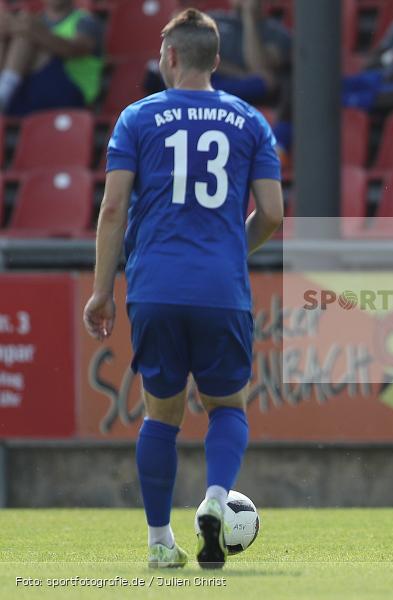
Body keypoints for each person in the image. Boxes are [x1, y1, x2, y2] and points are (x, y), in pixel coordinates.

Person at [83, 9, 283, 569]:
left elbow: (113, 208)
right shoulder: (249, 120)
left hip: (155, 285)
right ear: (216, 59)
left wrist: (102, 290)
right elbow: (271, 212)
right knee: (227, 405)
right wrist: (229, 254)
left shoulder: (136, 118)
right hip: (221, 287)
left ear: (169, 57)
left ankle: (158, 544)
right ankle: (216, 501)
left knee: (160, 415)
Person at [148, 0, 290, 105]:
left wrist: (249, 18)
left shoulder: (276, 32)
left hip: (243, 91)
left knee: (263, 83)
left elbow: (262, 74)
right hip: (206, 79)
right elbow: (185, 48)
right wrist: (239, 73)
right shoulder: (215, 19)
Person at [0, 0, 103, 115]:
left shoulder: (86, 21)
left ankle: (4, 92)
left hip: (71, 94)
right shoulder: (34, 21)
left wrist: (34, 32)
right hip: (31, 91)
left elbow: (75, 50)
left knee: (25, 39)